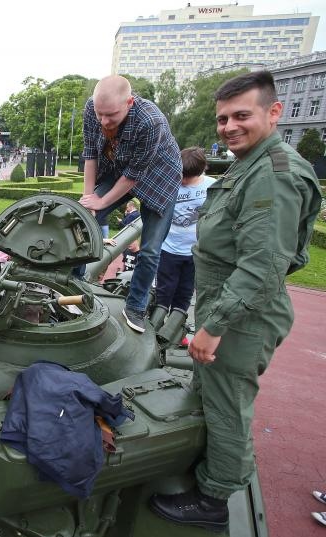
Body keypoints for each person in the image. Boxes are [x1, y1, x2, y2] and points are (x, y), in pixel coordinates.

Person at [149, 70, 322, 533]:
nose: (229, 127)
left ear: (274, 112)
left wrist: (213, 325)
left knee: (227, 405)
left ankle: (213, 499)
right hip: (229, 308)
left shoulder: (273, 175)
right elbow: (284, 255)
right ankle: (210, 469)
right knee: (211, 394)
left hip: (240, 318)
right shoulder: (251, 165)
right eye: (223, 118)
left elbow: (263, 267)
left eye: (241, 115)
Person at [79, 74, 182, 333]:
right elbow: (91, 155)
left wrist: (102, 200)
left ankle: (136, 306)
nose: (103, 120)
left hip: (159, 175)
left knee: (150, 249)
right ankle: (75, 284)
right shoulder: (93, 108)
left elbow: (133, 178)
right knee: (82, 221)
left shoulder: (150, 121)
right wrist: (90, 200)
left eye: (111, 115)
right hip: (117, 167)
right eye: (100, 113)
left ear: (130, 102)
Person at [153, 147, 215, 320]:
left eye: (189, 177)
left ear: (202, 170)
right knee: (163, 290)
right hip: (169, 248)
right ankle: (157, 323)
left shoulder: (211, 186)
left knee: (185, 292)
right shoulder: (169, 183)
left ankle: (175, 327)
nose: (184, 180)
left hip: (195, 251)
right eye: (182, 175)